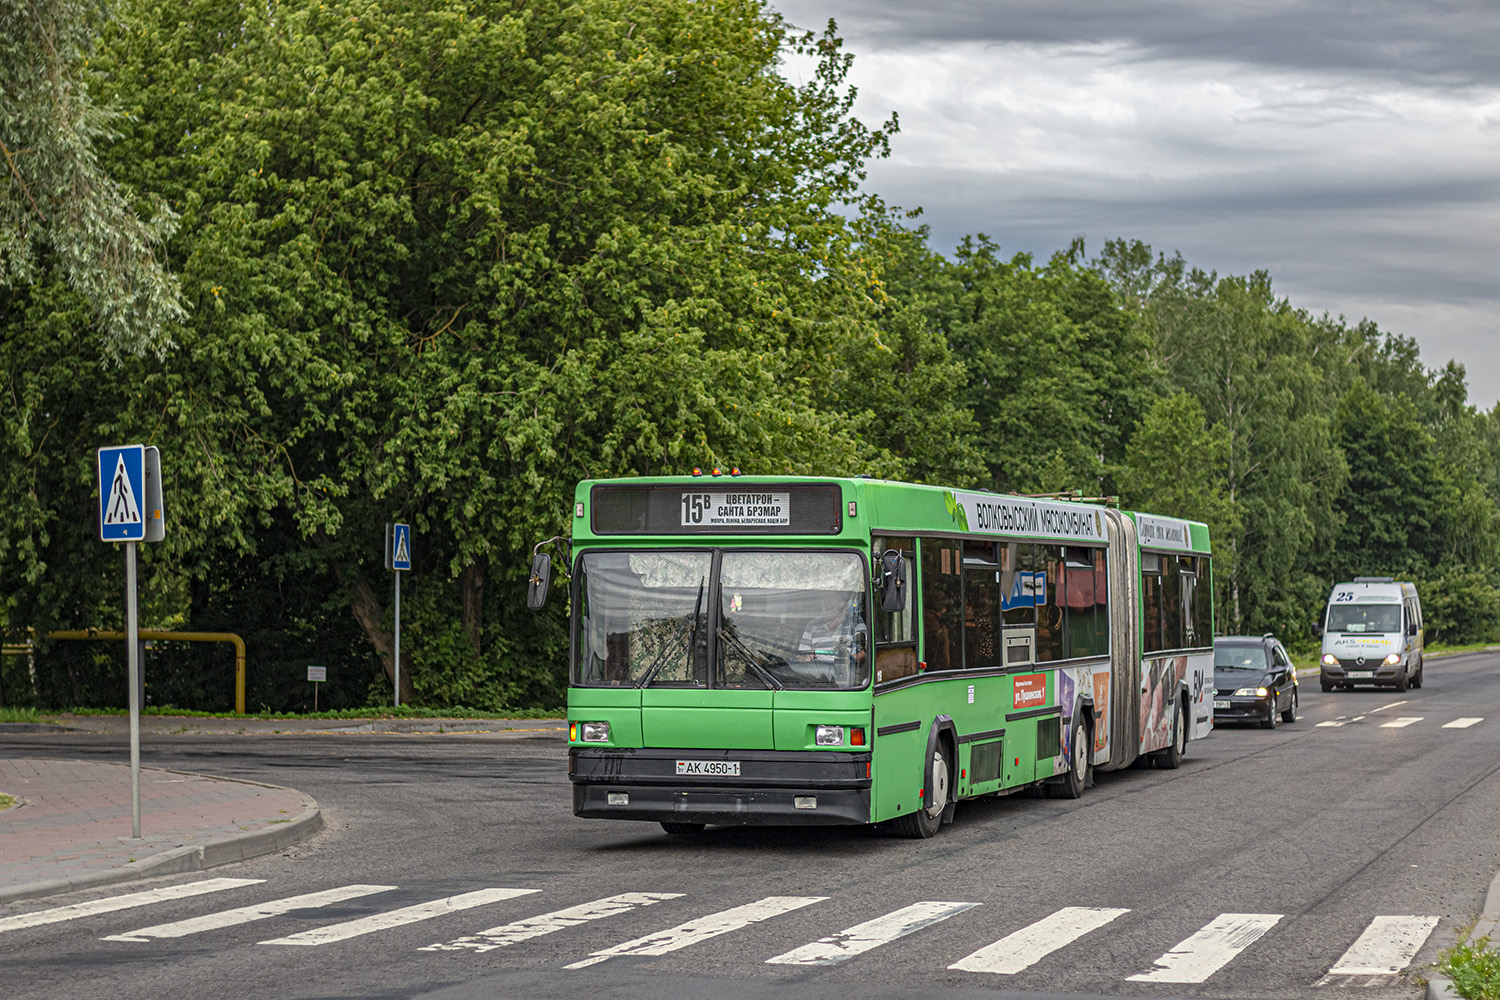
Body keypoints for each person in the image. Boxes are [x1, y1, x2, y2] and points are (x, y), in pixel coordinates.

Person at [797, 589, 867, 684]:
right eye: (823, 600)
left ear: (841, 603)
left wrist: (848, 659)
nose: (826, 604)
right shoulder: (812, 626)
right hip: (818, 682)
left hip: (848, 681)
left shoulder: (855, 623)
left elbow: (865, 653)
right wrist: (805, 658)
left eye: (830, 601)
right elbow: (800, 657)